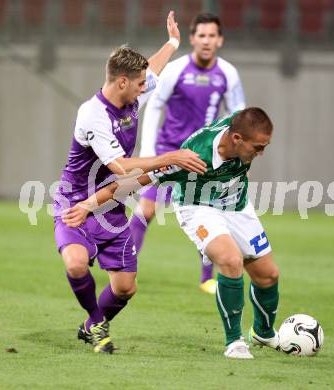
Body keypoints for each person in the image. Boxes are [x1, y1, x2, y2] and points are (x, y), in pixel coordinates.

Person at [63, 107, 280, 360]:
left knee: (268, 275)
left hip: (237, 204)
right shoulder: (195, 155)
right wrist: (88, 205)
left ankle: (264, 333)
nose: (261, 153)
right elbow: (133, 182)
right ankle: (234, 342)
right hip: (198, 208)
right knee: (230, 260)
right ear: (236, 139)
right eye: (257, 147)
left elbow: (244, 119)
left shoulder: (239, 130)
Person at [54, 11, 207, 354]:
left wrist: (172, 43)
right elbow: (121, 166)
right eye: (140, 83)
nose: (146, 87)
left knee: (125, 288)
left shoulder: (130, 92)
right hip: (76, 198)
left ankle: (89, 325)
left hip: (111, 202)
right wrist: (169, 157)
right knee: (77, 263)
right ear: (122, 82)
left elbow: (151, 70)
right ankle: (97, 326)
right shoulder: (92, 114)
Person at [129, 12, 246, 295]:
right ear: (193, 39)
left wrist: (234, 152)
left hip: (203, 158)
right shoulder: (176, 69)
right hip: (169, 154)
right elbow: (155, 105)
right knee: (146, 210)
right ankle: (126, 267)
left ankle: (207, 277)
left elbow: (238, 114)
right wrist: (148, 150)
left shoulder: (228, 74)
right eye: (201, 35)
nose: (206, 41)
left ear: (220, 40)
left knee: (208, 212)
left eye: (211, 36)